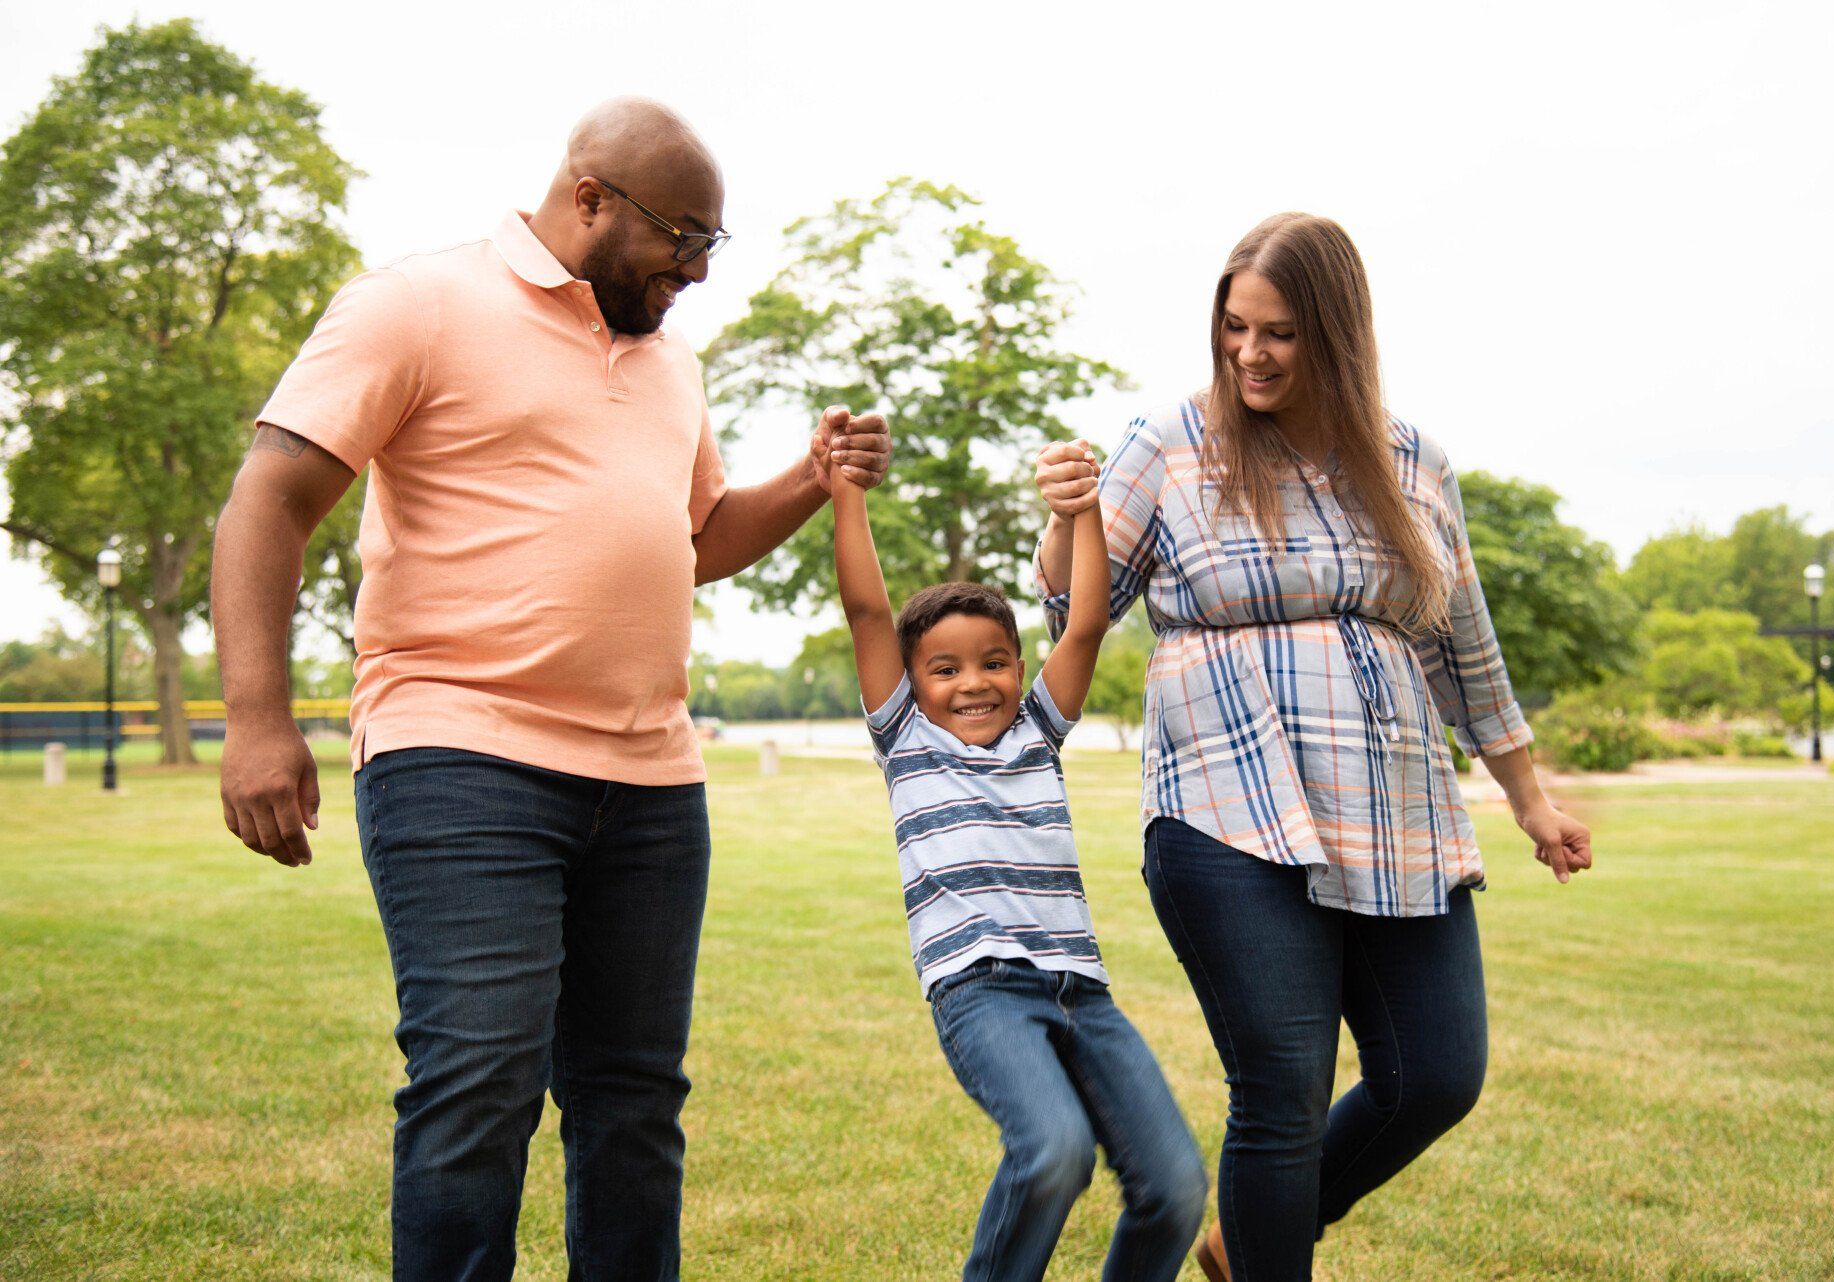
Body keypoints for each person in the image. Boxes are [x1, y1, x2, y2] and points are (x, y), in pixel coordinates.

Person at [209, 97, 891, 1280]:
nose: (696, 272)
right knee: (479, 1079)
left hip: (651, 778)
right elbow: (269, 495)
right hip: (462, 755)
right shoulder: (416, 304)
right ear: (589, 199)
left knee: (633, 1102)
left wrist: (812, 477)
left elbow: (700, 533)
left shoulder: (669, 358)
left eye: (709, 247)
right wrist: (257, 719)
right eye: (684, 240)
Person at [1032, 212, 1594, 1281]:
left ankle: (1251, 1243)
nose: (1250, 352)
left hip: (1391, 804)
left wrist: (1529, 797)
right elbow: (1076, 603)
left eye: (1280, 332)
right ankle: (1271, 1246)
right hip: (1223, 802)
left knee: (1436, 1072)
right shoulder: (1172, 444)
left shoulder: (1411, 457)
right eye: (1235, 327)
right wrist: (1066, 519)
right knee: (1281, 1090)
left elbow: (1463, 640)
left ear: (1336, 333)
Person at [831, 445, 1208, 1281]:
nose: (976, 683)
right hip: (981, 991)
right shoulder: (908, 741)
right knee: (1053, 1152)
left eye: (995, 662)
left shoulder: (1038, 735)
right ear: (912, 683)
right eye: (946, 668)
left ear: (1017, 666)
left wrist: (1080, 511)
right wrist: (847, 494)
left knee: (1177, 1187)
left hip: (1083, 992)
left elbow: (1084, 621)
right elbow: (866, 610)